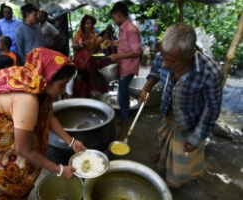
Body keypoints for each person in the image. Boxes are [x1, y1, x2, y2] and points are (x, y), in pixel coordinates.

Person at [0, 48, 86, 199]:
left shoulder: (36, 80)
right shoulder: (27, 99)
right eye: (62, 85)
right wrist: (59, 169)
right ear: (49, 79)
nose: (64, 89)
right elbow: (23, 150)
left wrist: (71, 142)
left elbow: (49, 117)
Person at [138, 23, 223, 188]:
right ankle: (163, 158)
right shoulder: (164, 56)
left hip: (190, 121)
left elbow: (212, 109)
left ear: (190, 55)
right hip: (168, 112)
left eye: (172, 61)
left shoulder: (210, 72)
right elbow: (155, 72)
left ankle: (173, 183)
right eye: (164, 57)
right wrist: (145, 89)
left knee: (181, 161)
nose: (165, 64)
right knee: (163, 140)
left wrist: (197, 136)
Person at [109, 2, 142, 140]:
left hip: (128, 67)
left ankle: (125, 125)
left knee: (121, 95)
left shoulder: (130, 29)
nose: (114, 20)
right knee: (124, 94)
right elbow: (124, 46)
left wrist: (118, 56)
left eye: (114, 17)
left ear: (119, 15)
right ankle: (124, 119)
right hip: (123, 66)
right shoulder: (123, 29)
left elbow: (137, 51)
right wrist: (111, 43)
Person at [72, 14, 101, 97]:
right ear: (83, 24)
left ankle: (88, 100)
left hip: (91, 62)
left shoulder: (95, 35)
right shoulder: (78, 34)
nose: (89, 25)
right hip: (80, 62)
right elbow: (74, 46)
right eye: (87, 23)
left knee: (89, 81)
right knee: (80, 81)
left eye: (91, 23)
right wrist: (83, 44)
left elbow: (98, 48)